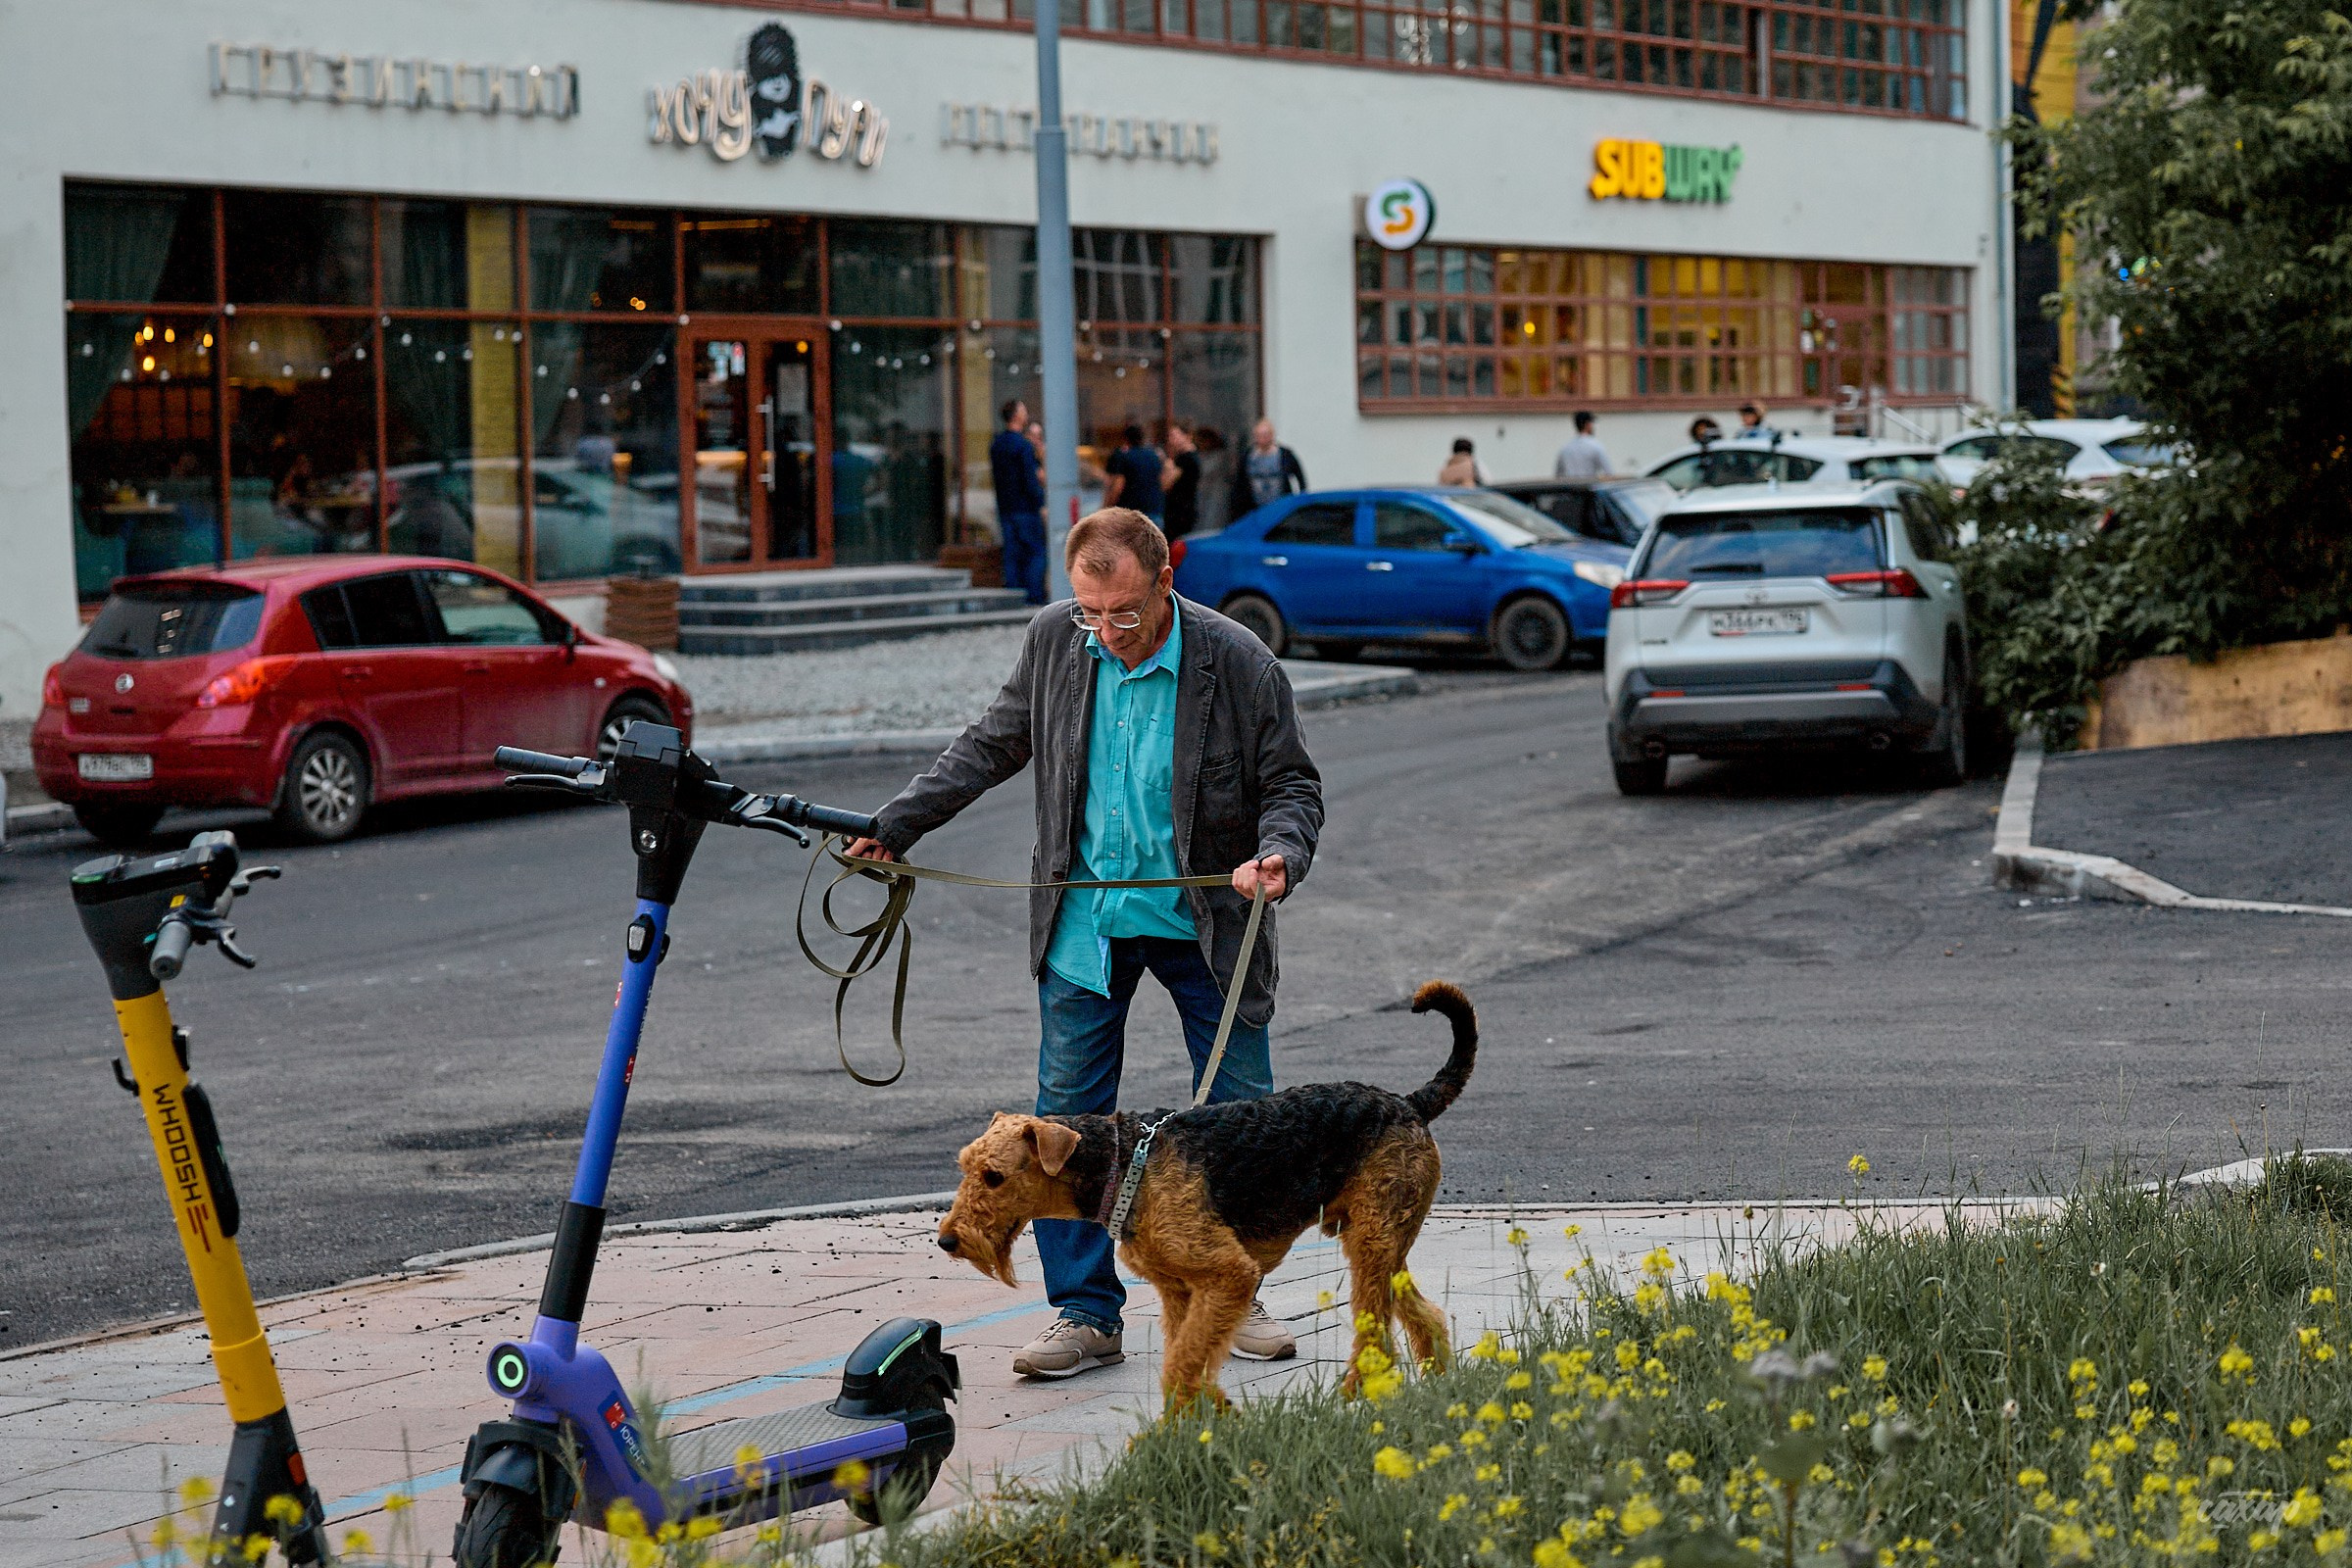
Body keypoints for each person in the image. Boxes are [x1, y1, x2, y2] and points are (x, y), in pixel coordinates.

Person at [850, 509, 1323, 1382]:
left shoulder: (1239, 661)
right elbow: (990, 744)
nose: (1107, 633)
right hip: (1086, 928)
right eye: (1090, 613)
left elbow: (1292, 784)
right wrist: (897, 824)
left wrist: (1278, 854)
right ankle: (1085, 1315)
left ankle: (1240, 1291)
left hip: (1208, 925)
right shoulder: (1055, 643)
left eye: (1126, 614)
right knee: (1061, 1128)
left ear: (1166, 583)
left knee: (1240, 1122)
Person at [991, 399, 1049, 606]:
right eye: (1023, 410)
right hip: (1026, 509)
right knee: (1035, 553)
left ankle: (1013, 597)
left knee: (1012, 554)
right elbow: (1029, 479)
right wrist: (1040, 504)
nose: (1026, 414)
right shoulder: (1023, 446)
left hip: (1006, 508)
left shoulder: (997, 444)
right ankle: (1034, 596)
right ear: (1016, 415)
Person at [1230, 417, 1307, 519]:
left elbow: (1299, 477)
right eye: (1259, 435)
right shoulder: (1248, 456)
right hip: (1254, 508)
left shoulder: (1285, 455)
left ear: (1272, 435)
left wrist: (1300, 501)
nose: (1263, 439)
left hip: (1280, 507)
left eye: (1265, 435)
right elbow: (1239, 482)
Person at [1102, 422, 1167, 526]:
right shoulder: (1154, 456)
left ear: (1126, 439)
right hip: (1154, 512)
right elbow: (1162, 482)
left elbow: (1118, 487)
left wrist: (1106, 508)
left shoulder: (1124, 457)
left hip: (1131, 514)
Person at [1160, 422, 1202, 538]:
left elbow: (1165, 484)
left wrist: (1167, 464)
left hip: (1181, 513)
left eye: (1174, 436)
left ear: (1187, 437)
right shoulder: (1184, 457)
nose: (1170, 440)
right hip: (1179, 511)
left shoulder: (1186, 458)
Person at [1193, 425, 1235, 535]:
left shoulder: (1220, 457)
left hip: (1215, 498)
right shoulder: (1203, 456)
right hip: (1204, 498)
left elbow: (1206, 470)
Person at [1553, 412, 1611, 478]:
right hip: (1590, 486)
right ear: (1587, 425)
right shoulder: (1595, 446)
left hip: (1570, 487)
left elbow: (1557, 475)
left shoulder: (1565, 448)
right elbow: (1609, 472)